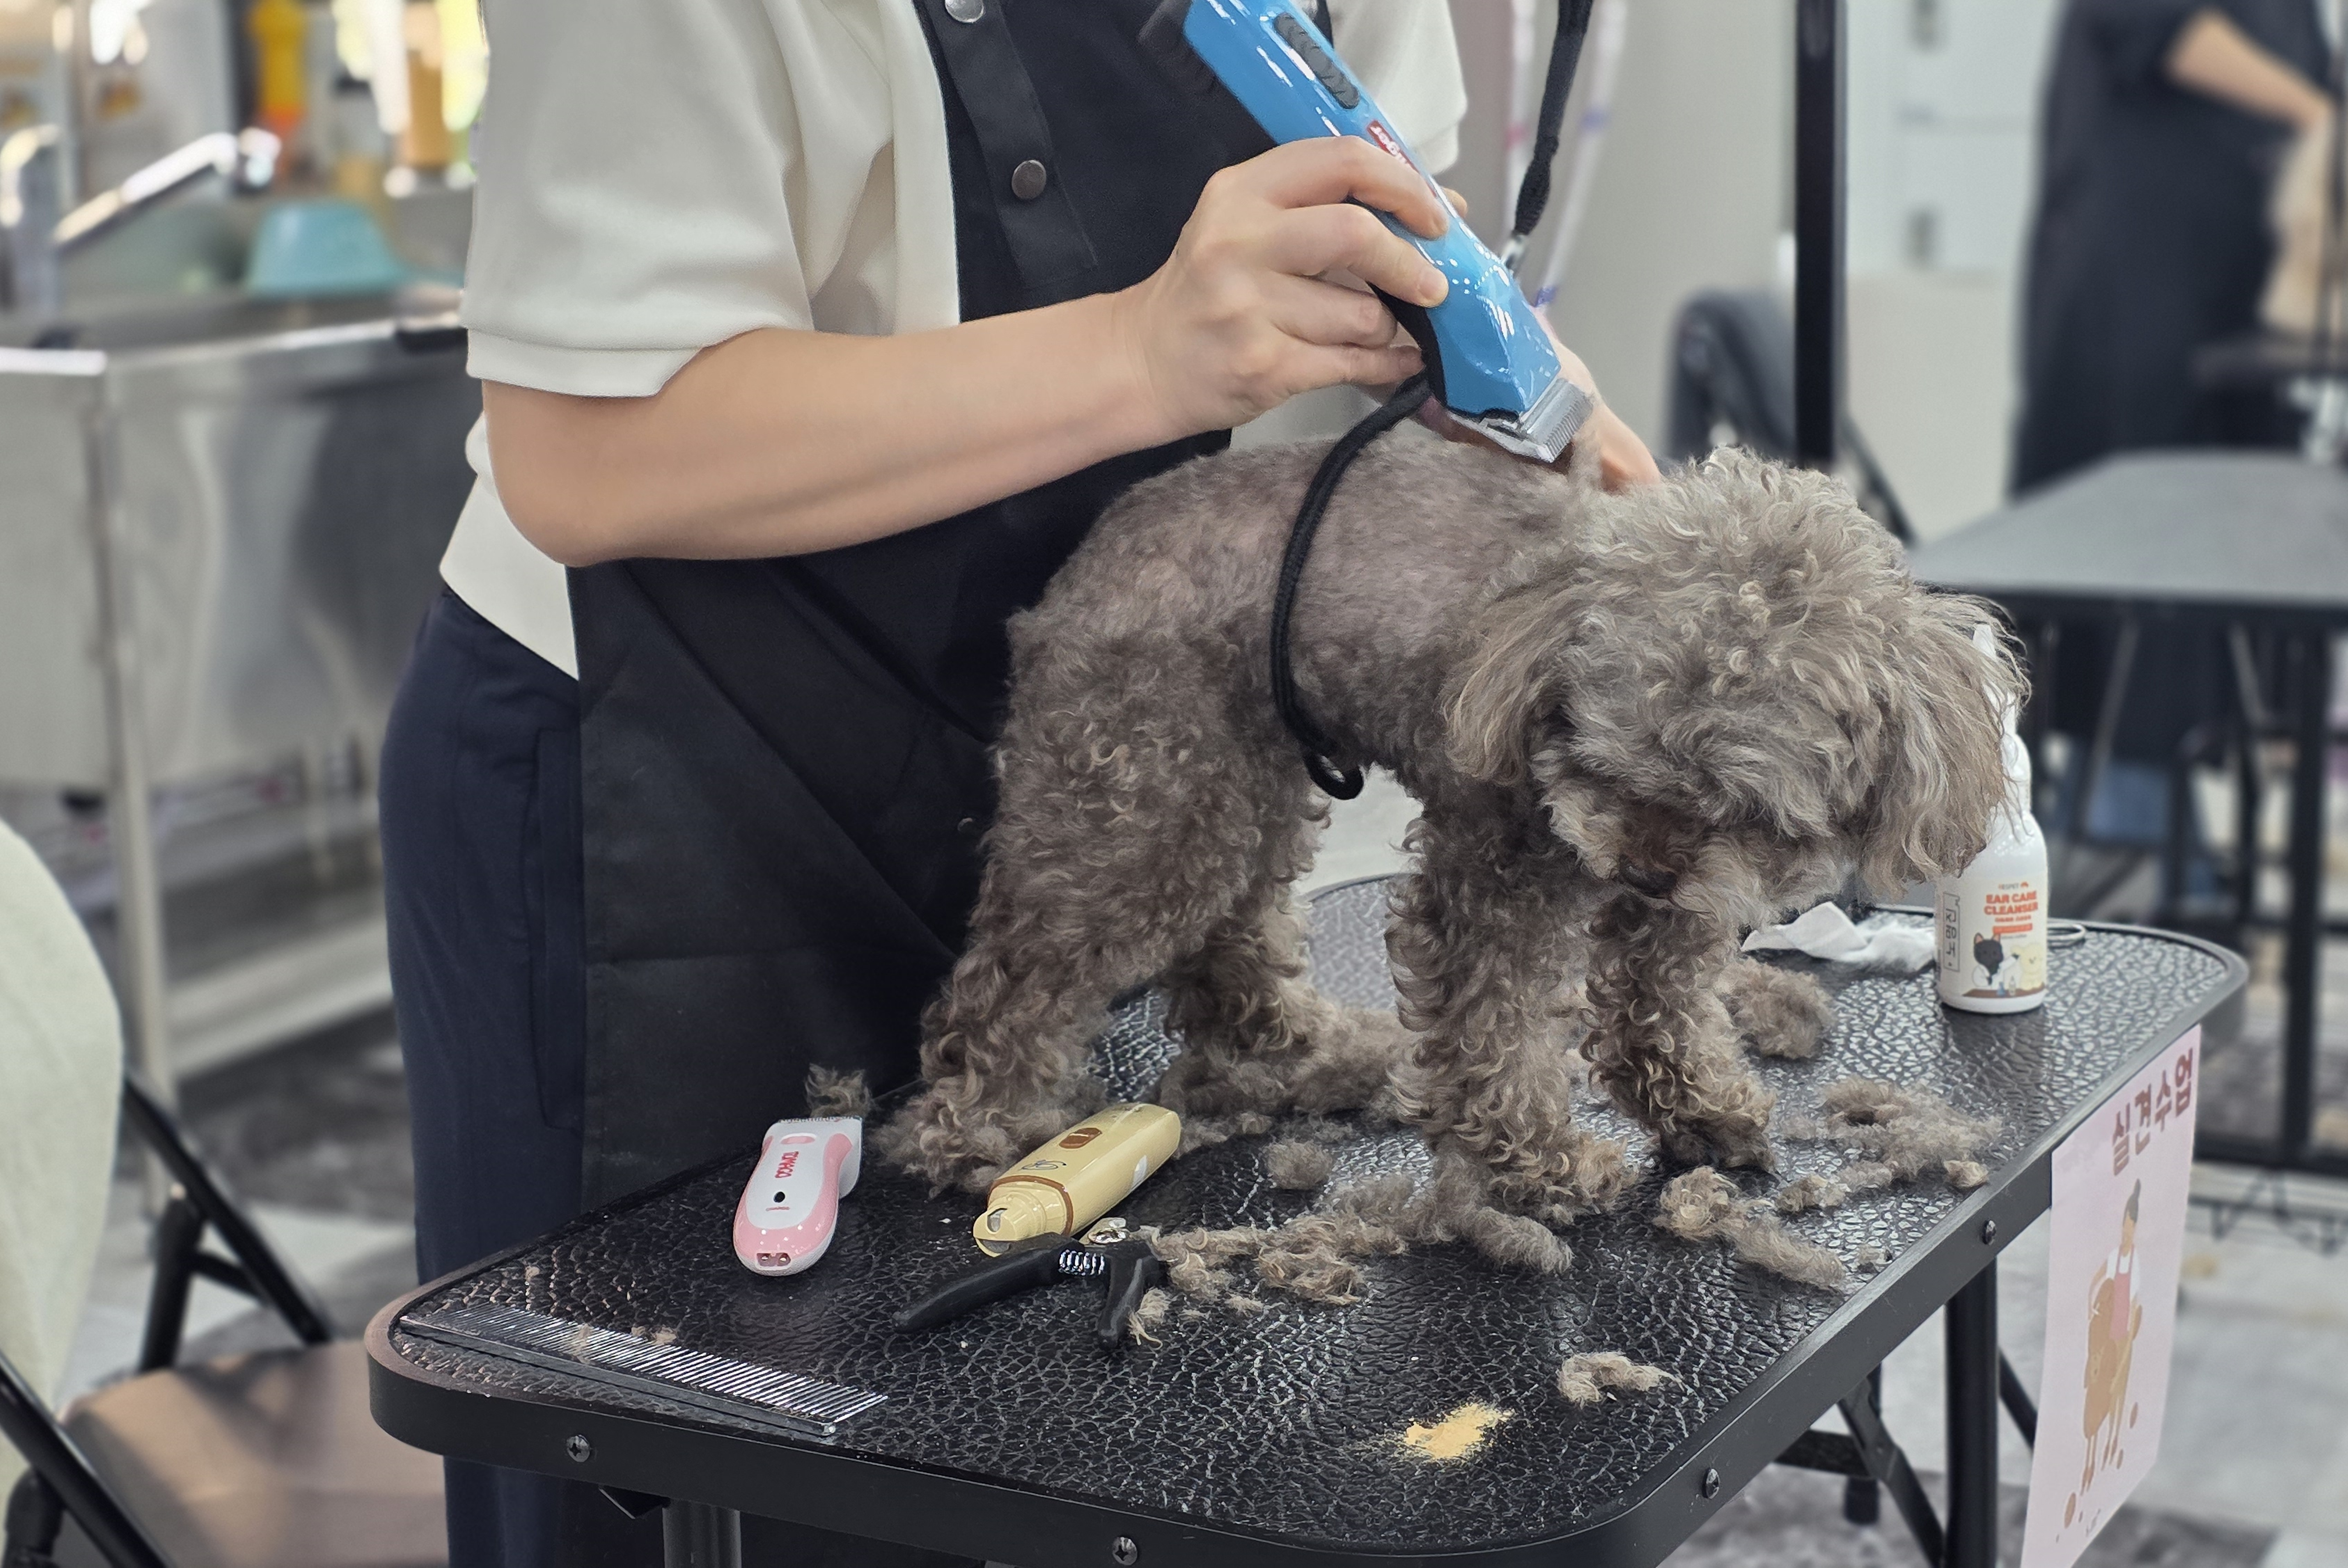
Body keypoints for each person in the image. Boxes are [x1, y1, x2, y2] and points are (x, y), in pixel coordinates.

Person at [377, 4, 1653, 1565]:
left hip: (1069, 744)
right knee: (701, 1473)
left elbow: (1386, 240)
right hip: (675, 781)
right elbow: (580, 454)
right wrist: (1143, 353)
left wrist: (1516, 385)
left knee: (1063, 1442)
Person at [2008, 1, 2333, 876]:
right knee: (2133, 550)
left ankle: (2160, 817)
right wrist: (2317, 115)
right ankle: (2123, 830)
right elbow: (2163, 29)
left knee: (2222, 555)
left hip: (2234, 288)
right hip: (2135, 279)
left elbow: (2315, 67)